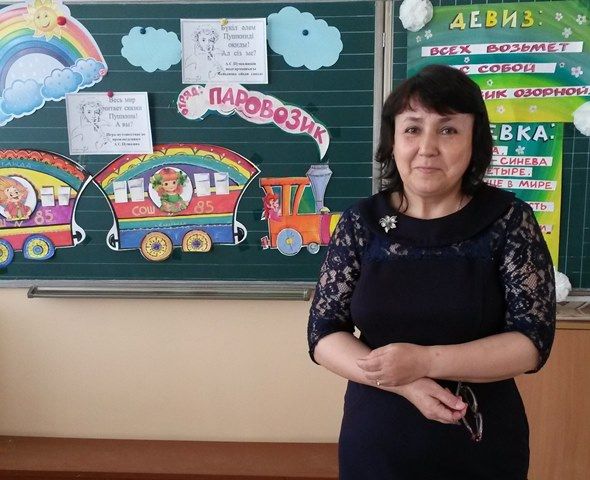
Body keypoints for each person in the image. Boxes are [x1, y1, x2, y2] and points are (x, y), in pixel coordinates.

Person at [307, 64, 556, 479]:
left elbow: (532, 341)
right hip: (377, 442)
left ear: (475, 141)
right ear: (393, 140)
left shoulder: (508, 220)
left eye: (448, 130)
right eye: (412, 129)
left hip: (479, 440)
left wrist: (425, 361)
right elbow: (324, 333)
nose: (427, 147)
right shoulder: (360, 223)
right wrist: (404, 383)